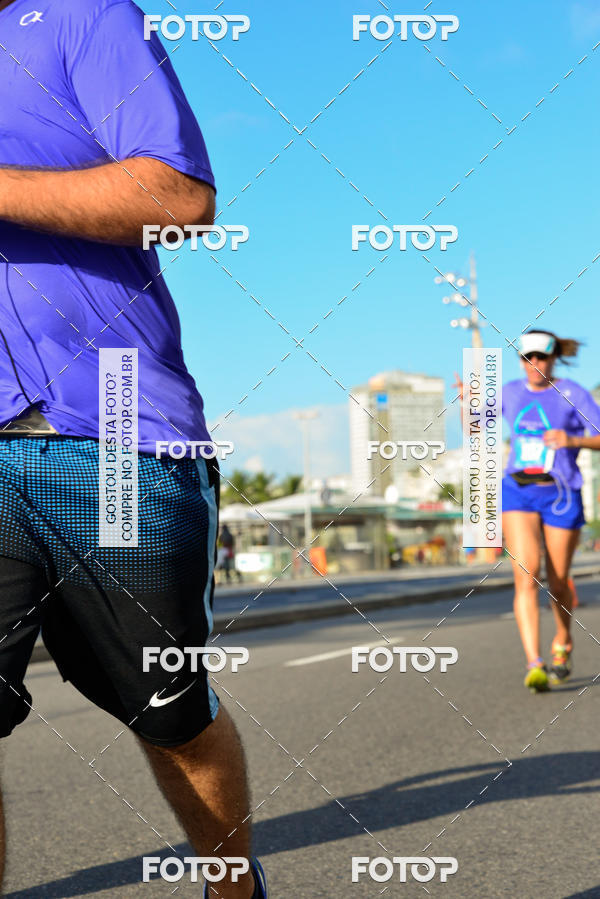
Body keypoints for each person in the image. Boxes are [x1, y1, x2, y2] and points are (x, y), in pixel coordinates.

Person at [0, 1, 266, 896]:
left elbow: (177, 196)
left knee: (169, 711)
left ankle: (233, 888)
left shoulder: (79, 17)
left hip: (114, 432)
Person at [502, 330, 600, 692]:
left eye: (541, 358)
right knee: (526, 573)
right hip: (518, 491)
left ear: (554, 358)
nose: (534, 364)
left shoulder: (572, 392)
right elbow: (477, 426)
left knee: (558, 580)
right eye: (527, 357)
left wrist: (572, 440)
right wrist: (468, 402)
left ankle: (563, 639)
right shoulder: (510, 392)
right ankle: (534, 663)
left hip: (561, 492)